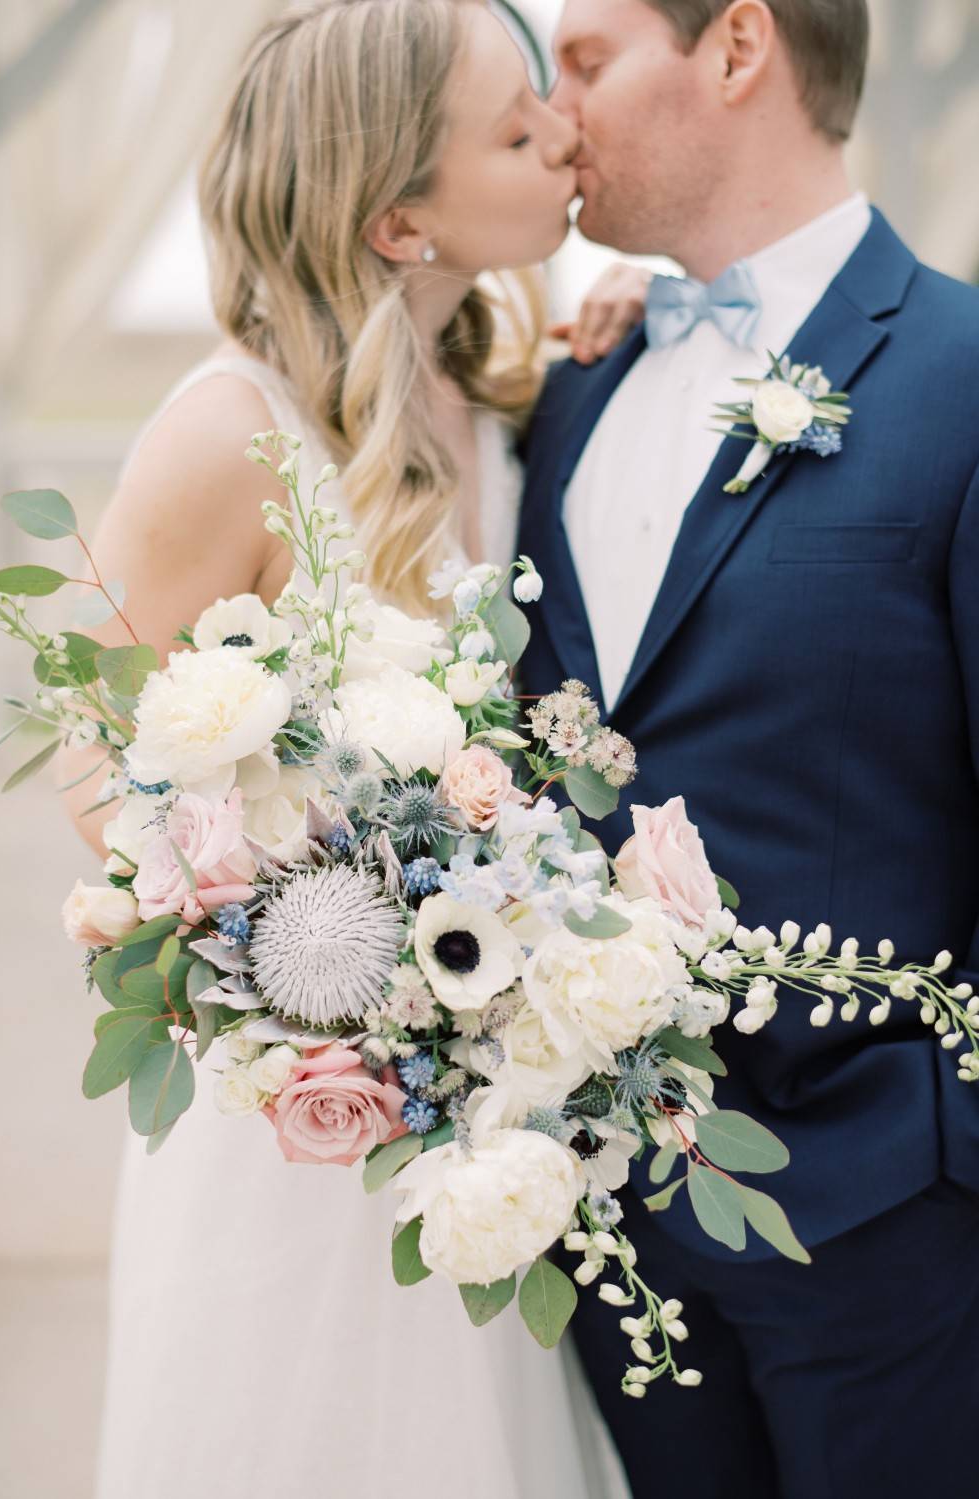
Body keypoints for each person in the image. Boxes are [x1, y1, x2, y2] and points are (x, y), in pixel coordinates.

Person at [58, 4, 644, 1496]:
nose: (565, 133)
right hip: (297, 1120)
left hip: (474, 1120)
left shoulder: (504, 401)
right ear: (398, 219)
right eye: (517, 134)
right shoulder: (224, 435)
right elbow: (87, 760)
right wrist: (307, 949)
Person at [517, 1, 979, 1495]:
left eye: (585, 61)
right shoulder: (568, 392)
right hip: (613, 1240)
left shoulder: (965, 374)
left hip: (898, 1229)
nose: (556, 111)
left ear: (735, 48)